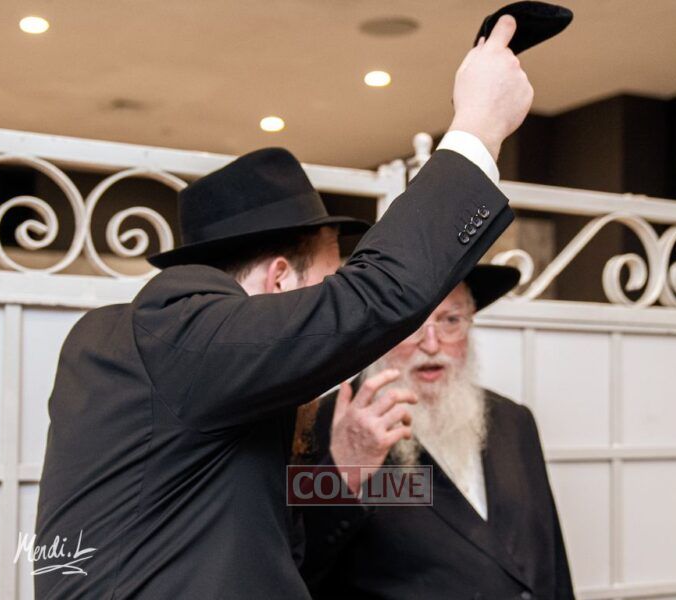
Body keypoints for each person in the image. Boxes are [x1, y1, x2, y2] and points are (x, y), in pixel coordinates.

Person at [34, 15, 533, 600]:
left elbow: (258, 543)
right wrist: (477, 131)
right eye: (325, 283)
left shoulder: (214, 380)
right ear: (279, 279)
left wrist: (341, 468)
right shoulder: (171, 332)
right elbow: (372, 297)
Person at [297, 264, 575, 600]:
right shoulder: (325, 426)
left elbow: (552, 559)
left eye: (450, 320)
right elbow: (295, 566)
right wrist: (344, 472)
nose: (431, 344)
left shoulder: (514, 420)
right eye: (412, 323)